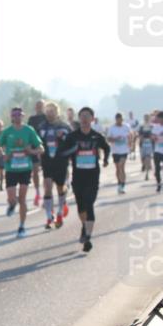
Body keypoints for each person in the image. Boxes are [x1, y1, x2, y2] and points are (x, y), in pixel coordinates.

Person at [57, 106, 110, 252]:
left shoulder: (97, 136)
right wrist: (72, 150)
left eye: (88, 116)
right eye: (82, 116)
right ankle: (84, 226)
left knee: (89, 204)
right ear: (79, 119)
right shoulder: (73, 137)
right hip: (78, 176)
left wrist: (105, 159)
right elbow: (62, 152)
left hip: (92, 176)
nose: (85, 119)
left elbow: (107, 147)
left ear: (92, 119)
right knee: (81, 207)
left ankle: (88, 238)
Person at [0, 106, 44, 238]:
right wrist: (3, 155)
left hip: (25, 168)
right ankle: (12, 204)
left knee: (22, 199)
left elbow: (41, 148)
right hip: (11, 169)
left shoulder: (29, 130)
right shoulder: (7, 131)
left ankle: (22, 226)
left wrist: (32, 152)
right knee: (12, 198)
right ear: (11, 117)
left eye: (19, 115)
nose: (17, 117)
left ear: (23, 116)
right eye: (14, 115)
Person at [35, 102, 71, 229]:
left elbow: (71, 142)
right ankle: (49, 216)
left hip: (60, 161)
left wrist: (63, 138)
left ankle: (60, 210)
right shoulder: (41, 127)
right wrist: (37, 153)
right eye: (48, 111)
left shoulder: (64, 126)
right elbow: (37, 142)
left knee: (61, 188)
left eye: (52, 111)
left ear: (57, 112)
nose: (50, 113)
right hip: (47, 161)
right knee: (48, 186)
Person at [27, 100, 48, 207]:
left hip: (46, 147)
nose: (39, 107)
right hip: (34, 147)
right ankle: (37, 193)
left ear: (44, 107)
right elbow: (28, 133)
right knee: (35, 171)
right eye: (37, 106)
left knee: (46, 173)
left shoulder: (47, 118)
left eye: (41, 106)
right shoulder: (32, 119)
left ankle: (46, 195)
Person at [106, 112, 132, 194]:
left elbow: (130, 135)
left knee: (121, 166)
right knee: (118, 168)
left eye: (121, 119)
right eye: (118, 120)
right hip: (115, 150)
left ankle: (123, 185)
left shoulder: (126, 127)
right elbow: (108, 139)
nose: (119, 121)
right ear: (116, 120)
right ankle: (119, 183)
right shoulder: (112, 128)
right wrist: (115, 139)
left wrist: (130, 143)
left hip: (124, 150)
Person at [139, 113, 155, 181]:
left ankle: (147, 174)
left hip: (150, 144)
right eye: (145, 118)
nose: (146, 119)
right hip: (143, 144)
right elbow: (139, 135)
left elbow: (154, 135)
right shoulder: (141, 126)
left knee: (148, 157)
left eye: (147, 118)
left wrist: (152, 138)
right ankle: (145, 166)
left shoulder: (152, 126)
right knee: (143, 159)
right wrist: (141, 138)